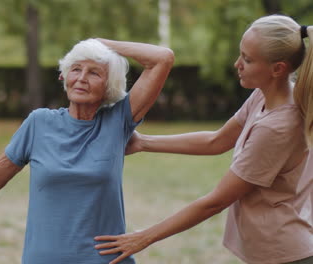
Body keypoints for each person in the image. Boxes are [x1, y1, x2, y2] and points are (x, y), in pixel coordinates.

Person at [0, 38, 174, 264]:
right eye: (76, 69)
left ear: (108, 86)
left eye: (94, 72)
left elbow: (162, 58)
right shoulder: (39, 123)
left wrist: (99, 43)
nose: (82, 78)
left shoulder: (117, 122)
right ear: (64, 77)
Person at [95, 15, 313, 264]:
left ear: (278, 69)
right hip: (275, 250)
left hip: (286, 254)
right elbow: (216, 141)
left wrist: (144, 237)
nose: (237, 64)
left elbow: (215, 202)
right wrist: (143, 142)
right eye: (240, 54)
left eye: (248, 60)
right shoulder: (265, 97)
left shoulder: (277, 127)